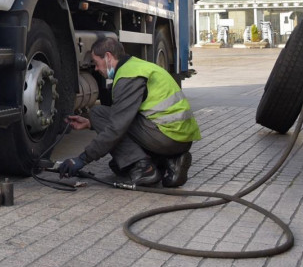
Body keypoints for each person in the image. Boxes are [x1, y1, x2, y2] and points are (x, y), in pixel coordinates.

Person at [58, 36, 201, 187]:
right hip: (180, 138)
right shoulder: (137, 66)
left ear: (108, 57)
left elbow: (117, 128)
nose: (96, 68)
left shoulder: (128, 77)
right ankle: (170, 161)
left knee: (98, 112)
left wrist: (82, 158)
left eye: (96, 63)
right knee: (118, 165)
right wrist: (90, 124)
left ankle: (145, 169)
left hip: (167, 137)